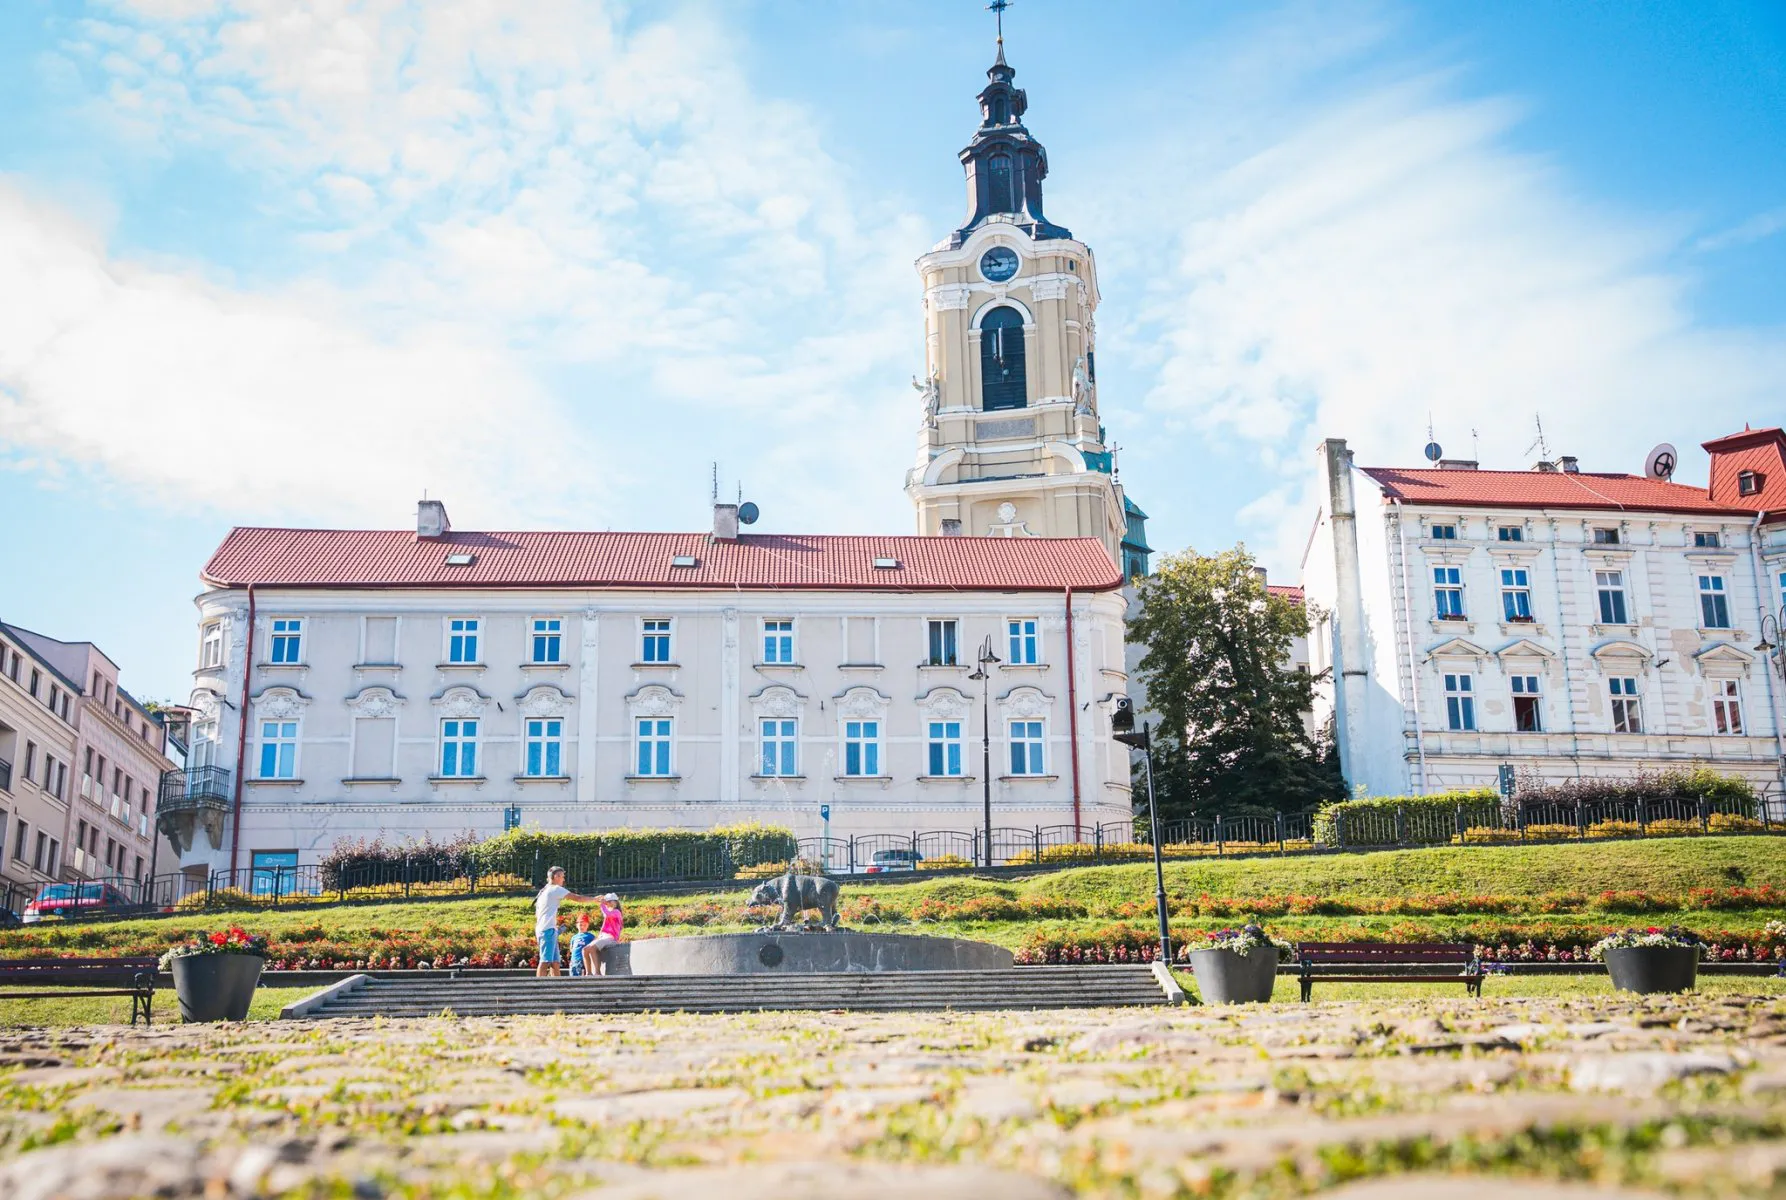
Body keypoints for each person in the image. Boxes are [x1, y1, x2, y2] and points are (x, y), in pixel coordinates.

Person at [534, 867, 598, 978]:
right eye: (562, 877)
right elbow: (577, 898)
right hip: (547, 930)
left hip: (548, 929)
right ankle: (538, 988)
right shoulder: (555, 889)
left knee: (555, 963)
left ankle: (558, 988)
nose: (563, 880)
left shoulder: (543, 890)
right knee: (545, 961)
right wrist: (594, 899)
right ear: (556, 877)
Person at [582, 893, 624, 977]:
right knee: (585, 950)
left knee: (592, 948)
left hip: (611, 937)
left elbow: (606, 913)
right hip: (604, 936)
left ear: (615, 902)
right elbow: (604, 926)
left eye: (609, 902)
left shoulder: (617, 912)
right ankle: (588, 973)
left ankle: (597, 972)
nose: (607, 903)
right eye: (606, 902)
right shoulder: (610, 912)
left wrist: (602, 903)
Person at [567, 911, 597, 978]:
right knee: (573, 977)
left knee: (582, 978)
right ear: (576, 925)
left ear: (588, 925)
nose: (582, 927)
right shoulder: (574, 937)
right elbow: (571, 948)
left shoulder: (590, 936)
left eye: (584, 925)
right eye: (580, 925)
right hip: (574, 961)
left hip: (583, 961)